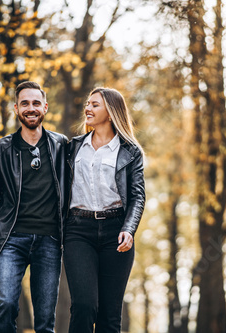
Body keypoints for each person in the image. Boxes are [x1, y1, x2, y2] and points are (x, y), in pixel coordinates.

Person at [0, 81, 68, 333]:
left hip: (50, 240)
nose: (31, 108)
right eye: (25, 103)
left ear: (45, 107)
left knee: (45, 319)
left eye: (36, 103)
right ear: (16, 109)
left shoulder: (62, 146)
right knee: (7, 304)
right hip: (10, 239)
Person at [64, 87, 145, 332]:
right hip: (78, 231)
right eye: (88, 104)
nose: (87, 108)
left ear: (110, 112)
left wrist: (129, 230)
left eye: (95, 104)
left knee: (110, 314)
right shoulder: (72, 148)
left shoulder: (130, 151)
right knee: (85, 305)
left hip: (116, 233)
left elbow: (137, 196)